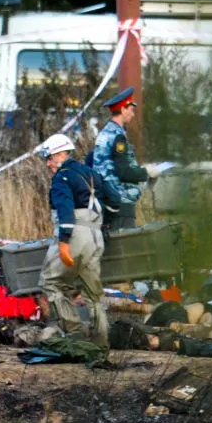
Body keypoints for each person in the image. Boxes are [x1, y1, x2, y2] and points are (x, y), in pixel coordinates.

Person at [36, 132, 105, 338]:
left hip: (75, 235)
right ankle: (101, 342)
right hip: (96, 236)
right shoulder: (90, 174)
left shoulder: (61, 177)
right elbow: (114, 200)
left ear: (60, 154)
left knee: (50, 282)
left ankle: (74, 331)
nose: (48, 164)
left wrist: (64, 242)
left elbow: (65, 210)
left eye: (49, 158)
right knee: (94, 293)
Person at [88, 88, 148, 231]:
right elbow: (124, 172)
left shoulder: (104, 133)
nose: (133, 115)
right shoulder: (118, 136)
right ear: (123, 109)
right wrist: (147, 173)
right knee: (126, 244)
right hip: (121, 201)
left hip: (106, 200)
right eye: (131, 110)